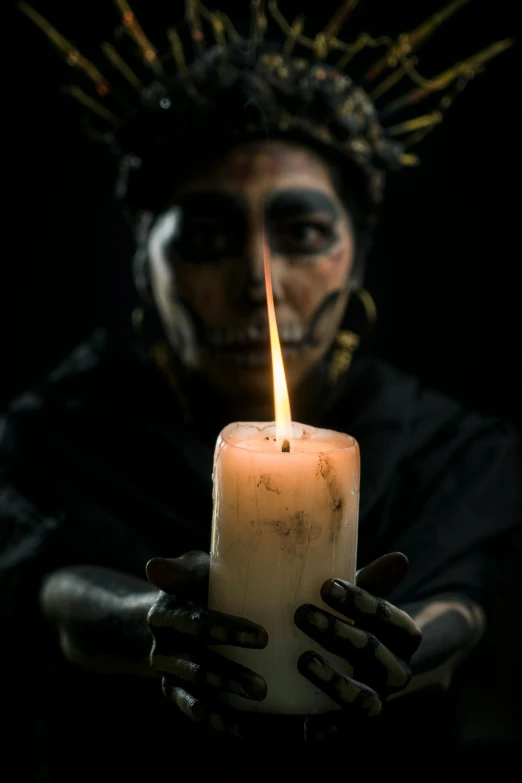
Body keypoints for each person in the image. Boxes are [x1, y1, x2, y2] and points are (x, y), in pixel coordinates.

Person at [2, 2, 520, 781]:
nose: (260, 283)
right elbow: (59, 593)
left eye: (303, 232)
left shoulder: (452, 445)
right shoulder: (52, 432)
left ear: (356, 255)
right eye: (207, 237)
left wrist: (397, 646)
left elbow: (460, 607)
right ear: (145, 262)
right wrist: (148, 619)